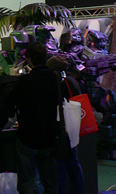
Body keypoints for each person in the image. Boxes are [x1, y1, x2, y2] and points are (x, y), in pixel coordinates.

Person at [0, 43, 60, 194]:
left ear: (29, 59)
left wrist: (12, 79)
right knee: (50, 182)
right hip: (49, 137)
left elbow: (11, 102)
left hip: (28, 137)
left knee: (26, 183)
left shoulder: (25, 81)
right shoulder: (54, 78)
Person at [47, 56, 85, 194]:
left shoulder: (59, 83)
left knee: (61, 167)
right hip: (72, 127)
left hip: (62, 127)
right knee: (74, 164)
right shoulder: (72, 81)